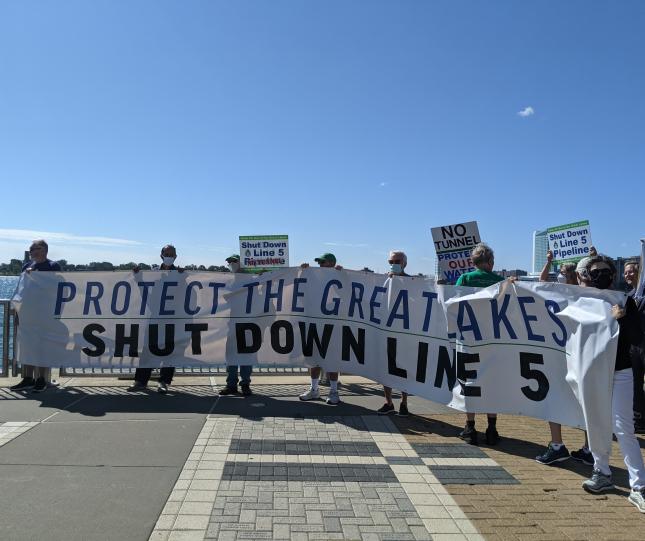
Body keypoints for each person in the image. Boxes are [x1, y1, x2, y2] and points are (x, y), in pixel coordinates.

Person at [576, 255, 645, 512]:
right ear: (588, 276)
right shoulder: (582, 301)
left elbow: (638, 337)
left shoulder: (625, 301)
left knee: (623, 426)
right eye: (596, 272)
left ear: (612, 275)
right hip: (593, 372)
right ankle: (601, 472)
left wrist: (623, 318)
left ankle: (639, 485)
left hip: (620, 372)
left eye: (605, 271)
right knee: (596, 422)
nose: (601, 275)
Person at [535, 252, 591, 465]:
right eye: (559, 273)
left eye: (564, 273)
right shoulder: (557, 293)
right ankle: (559, 444)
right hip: (559, 352)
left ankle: (586, 447)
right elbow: (540, 283)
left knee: (581, 401)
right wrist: (548, 262)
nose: (560, 277)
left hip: (573, 353)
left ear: (575, 276)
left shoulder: (584, 295)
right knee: (556, 397)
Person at [455, 243, 504, 445]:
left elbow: (453, 302)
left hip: (469, 339)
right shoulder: (500, 281)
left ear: (473, 262)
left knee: (469, 383)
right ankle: (492, 428)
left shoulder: (465, 279)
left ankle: (470, 427)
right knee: (491, 383)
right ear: (491, 262)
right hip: (493, 339)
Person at [127, 245, 180, 394]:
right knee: (147, 351)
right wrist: (138, 277)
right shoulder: (153, 273)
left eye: (172, 254)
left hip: (172, 319)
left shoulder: (181, 274)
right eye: (167, 253)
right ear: (161, 255)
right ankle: (140, 381)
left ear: (176, 256)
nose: (169, 256)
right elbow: (144, 290)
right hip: (154, 318)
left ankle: (164, 382)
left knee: (169, 352)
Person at [11, 239, 61, 393]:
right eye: (31, 249)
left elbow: (58, 287)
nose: (33, 251)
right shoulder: (26, 266)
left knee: (43, 347)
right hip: (28, 313)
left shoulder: (53, 266)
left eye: (35, 248)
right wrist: (17, 309)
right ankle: (27, 378)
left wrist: (38, 276)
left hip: (46, 313)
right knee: (27, 347)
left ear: (44, 250)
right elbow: (22, 288)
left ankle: (42, 379)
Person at [298, 253, 343, 405]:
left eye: (323, 262)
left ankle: (334, 391)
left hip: (332, 326)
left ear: (331, 263)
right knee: (313, 360)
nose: (320, 266)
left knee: (332, 360)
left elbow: (347, 294)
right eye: (320, 263)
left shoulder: (340, 277)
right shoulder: (314, 278)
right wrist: (304, 271)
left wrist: (342, 274)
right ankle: (314, 389)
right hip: (313, 325)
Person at [377, 250, 411, 417]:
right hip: (387, 332)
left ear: (404, 263)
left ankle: (404, 403)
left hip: (404, 333)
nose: (394, 264)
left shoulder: (412, 281)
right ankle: (388, 402)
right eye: (391, 261)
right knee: (386, 369)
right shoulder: (384, 280)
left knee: (404, 368)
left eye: (397, 261)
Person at [219, 254, 253, 396]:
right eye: (230, 262)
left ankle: (245, 384)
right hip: (232, 323)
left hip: (248, 323)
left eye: (234, 261)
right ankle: (231, 384)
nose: (232, 263)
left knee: (246, 356)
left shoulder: (251, 278)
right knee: (231, 356)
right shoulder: (229, 280)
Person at [624, 260, 645, 433]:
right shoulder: (629, 296)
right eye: (625, 272)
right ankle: (639, 419)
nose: (627, 275)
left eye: (631, 271)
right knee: (635, 384)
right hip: (635, 346)